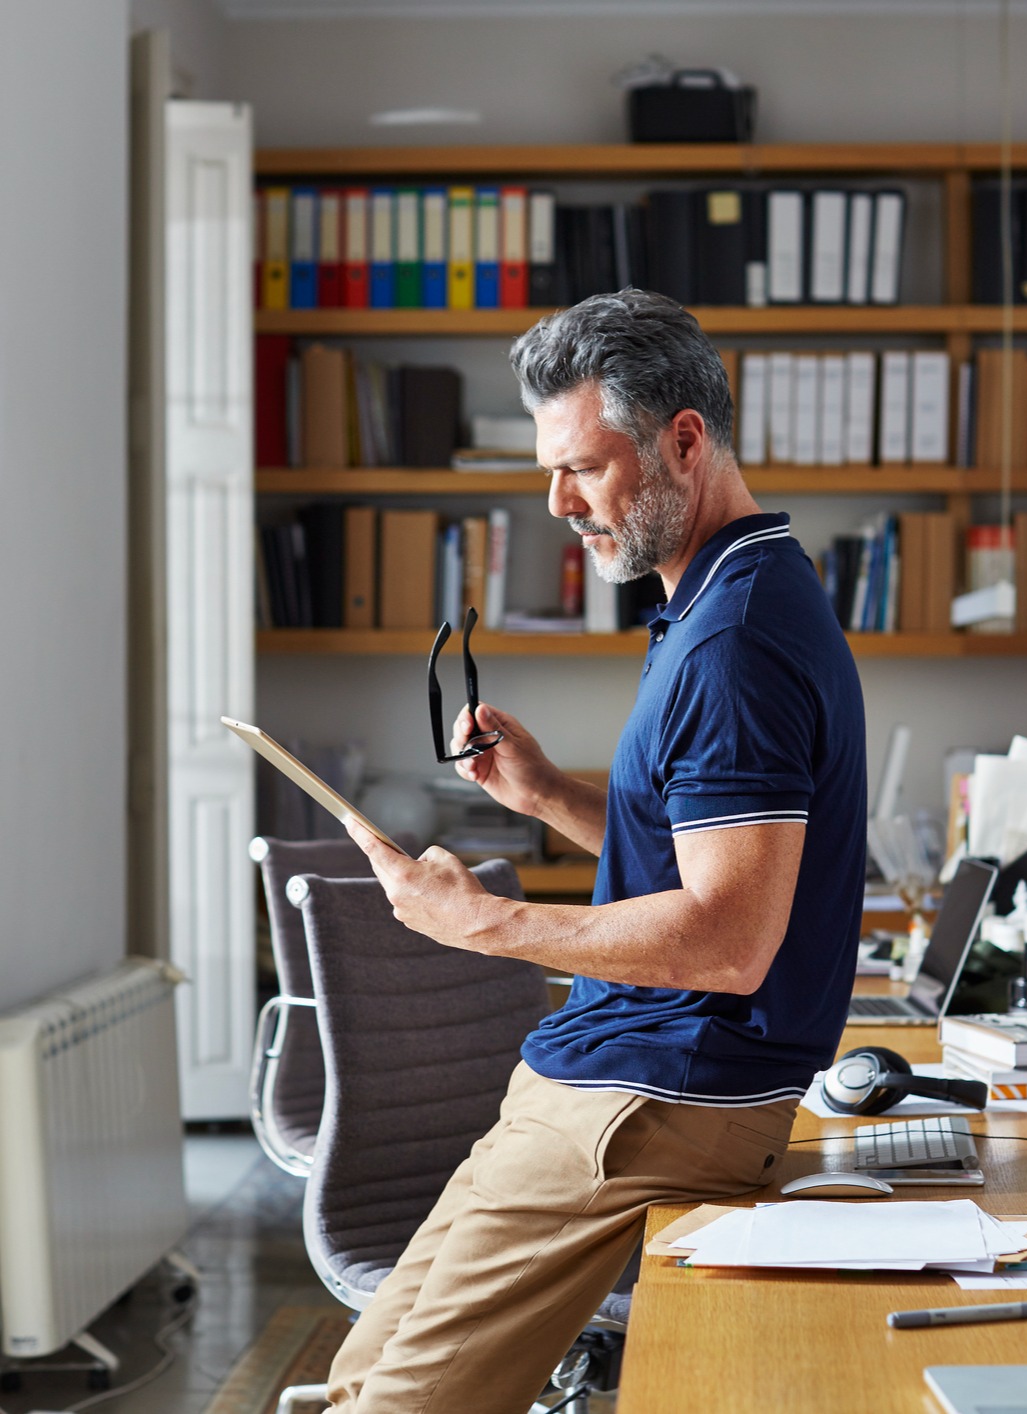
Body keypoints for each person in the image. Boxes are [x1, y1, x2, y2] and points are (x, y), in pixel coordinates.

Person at [327, 288, 867, 1414]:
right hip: (608, 1069)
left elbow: (725, 940)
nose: (559, 503)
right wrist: (547, 795)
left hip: (659, 1091)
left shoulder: (735, 642)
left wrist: (483, 922)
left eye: (583, 467)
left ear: (683, 440)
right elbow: (698, 854)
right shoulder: (717, 593)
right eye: (547, 469)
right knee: (358, 1376)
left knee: (399, 1406)